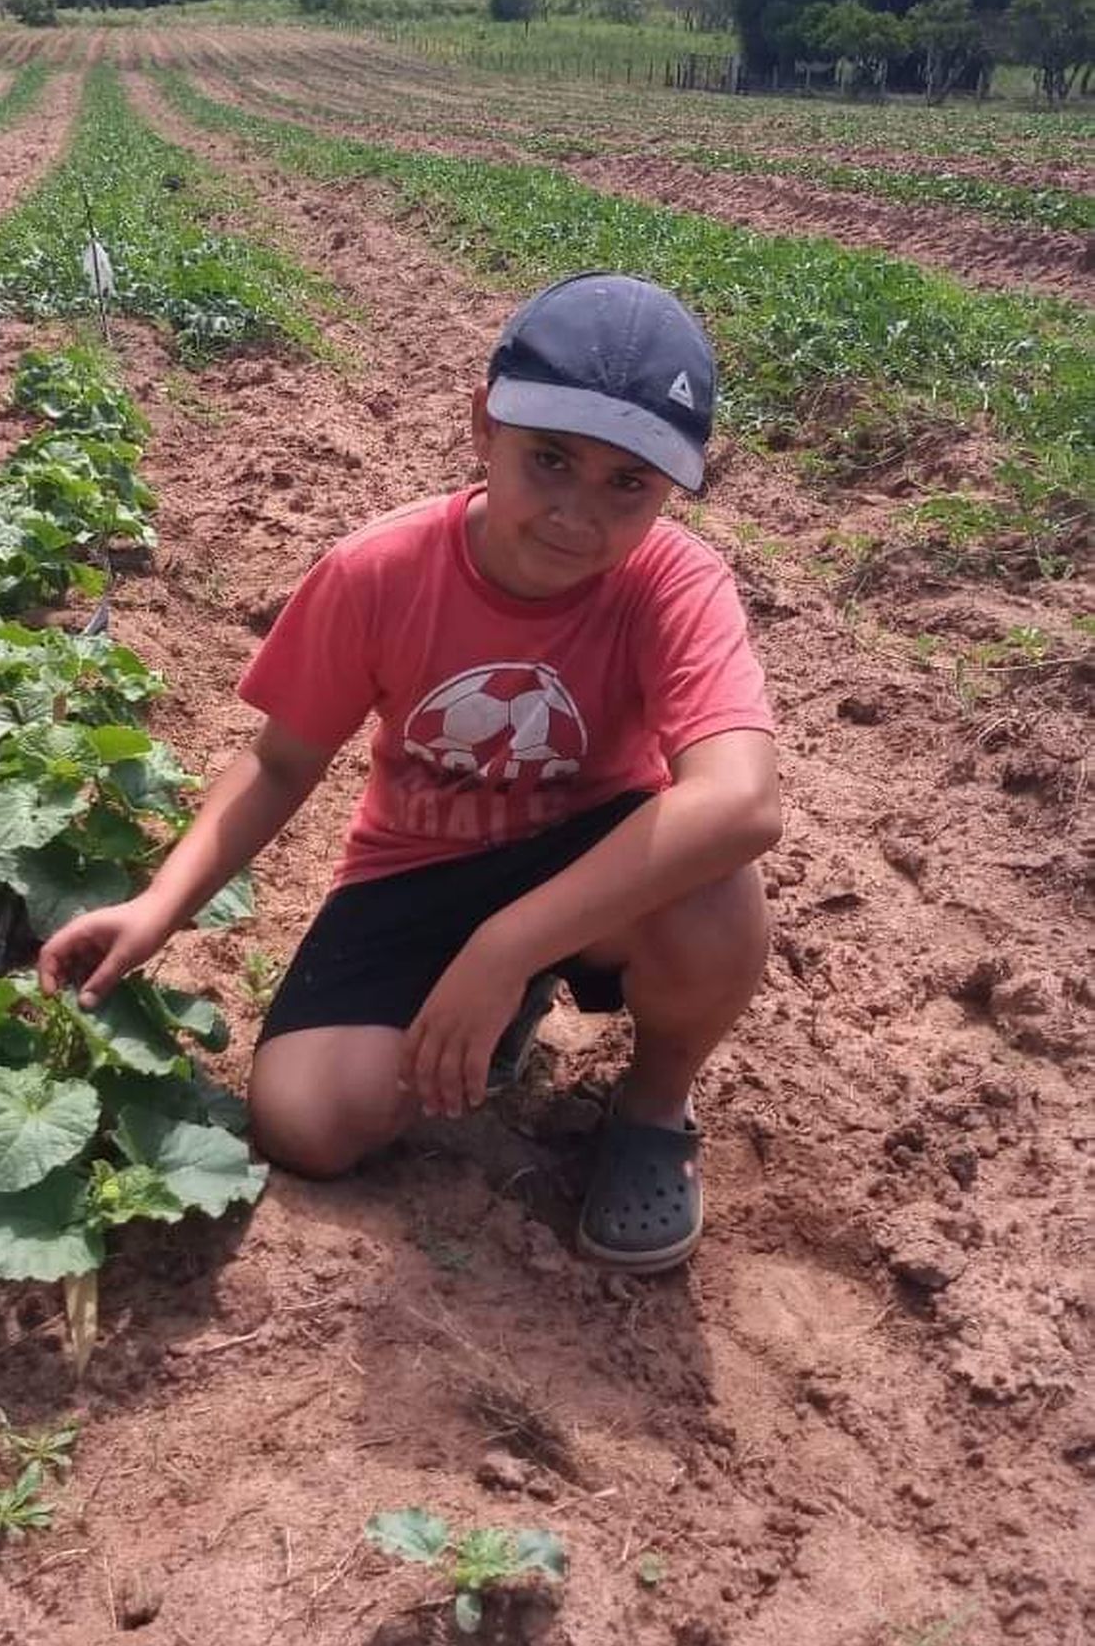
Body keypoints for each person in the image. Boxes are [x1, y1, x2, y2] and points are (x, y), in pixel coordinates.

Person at [39, 273, 781, 1273]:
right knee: (306, 1118)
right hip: (419, 868)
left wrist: (506, 944)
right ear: (483, 426)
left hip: (598, 853)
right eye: (550, 460)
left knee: (715, 895)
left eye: (627, 486)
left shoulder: (672, 582)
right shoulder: (378, 571)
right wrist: (158, 906)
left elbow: (740, 800)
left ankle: (651, 1107)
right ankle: (497, 1013)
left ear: (669, 491)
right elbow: (278, 761)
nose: (576, 513)